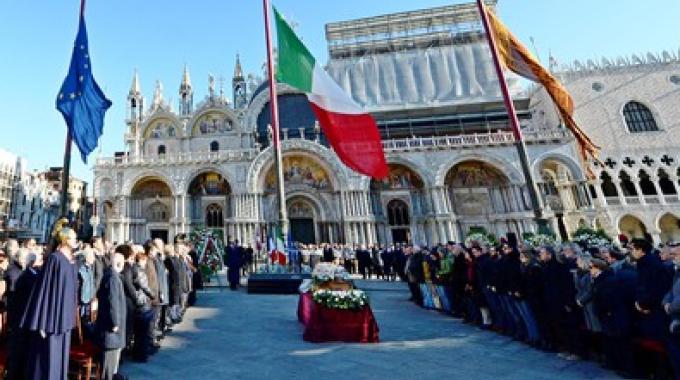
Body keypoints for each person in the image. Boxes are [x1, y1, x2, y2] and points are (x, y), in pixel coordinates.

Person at [20, 218, 79, 380]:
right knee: (48, 360)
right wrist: (42, 322)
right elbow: (45, 290)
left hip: (64, 319)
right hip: (52, 319)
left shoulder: (71, 261)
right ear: (65, 241)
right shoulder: (55, 259)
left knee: (60, 360)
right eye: (73, 239)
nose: (76, 241)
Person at [95, 251, 126, 380]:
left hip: (110, 329)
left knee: (111, 365)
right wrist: (115, 323)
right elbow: (113, 302)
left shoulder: (111, 275)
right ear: (119, 263)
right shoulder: (113, 277)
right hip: (110, 330)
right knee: (109, 365)